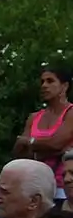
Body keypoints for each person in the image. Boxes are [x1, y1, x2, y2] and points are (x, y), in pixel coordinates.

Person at [15, 65, 73, 196]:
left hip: (64, 187)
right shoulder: (34, 117)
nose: (44, 86)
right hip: (35, 187)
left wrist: (30, 143)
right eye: (42, 82)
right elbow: (20, 152)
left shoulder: (71, 113)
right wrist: (53, 150)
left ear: (64, 86)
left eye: (50, 81)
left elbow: (56, 143)